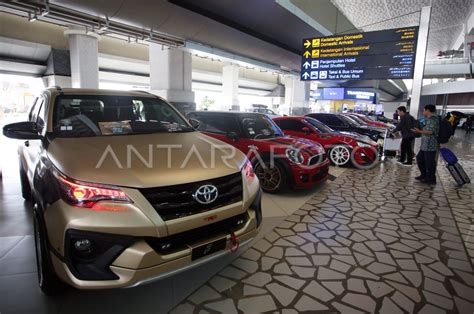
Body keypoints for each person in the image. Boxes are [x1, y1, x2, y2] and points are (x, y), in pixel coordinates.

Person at [413, 104, 439, 185]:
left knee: (430, 163)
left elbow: (430, 132)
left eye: (424, 110)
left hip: (430, 145)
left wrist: (419, 131)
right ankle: (424, 175)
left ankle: (431, 179)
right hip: (424, 145)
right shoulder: (426, 119)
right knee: (420, 159)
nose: (423, 111)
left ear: (428, 110)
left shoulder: (433, 120)